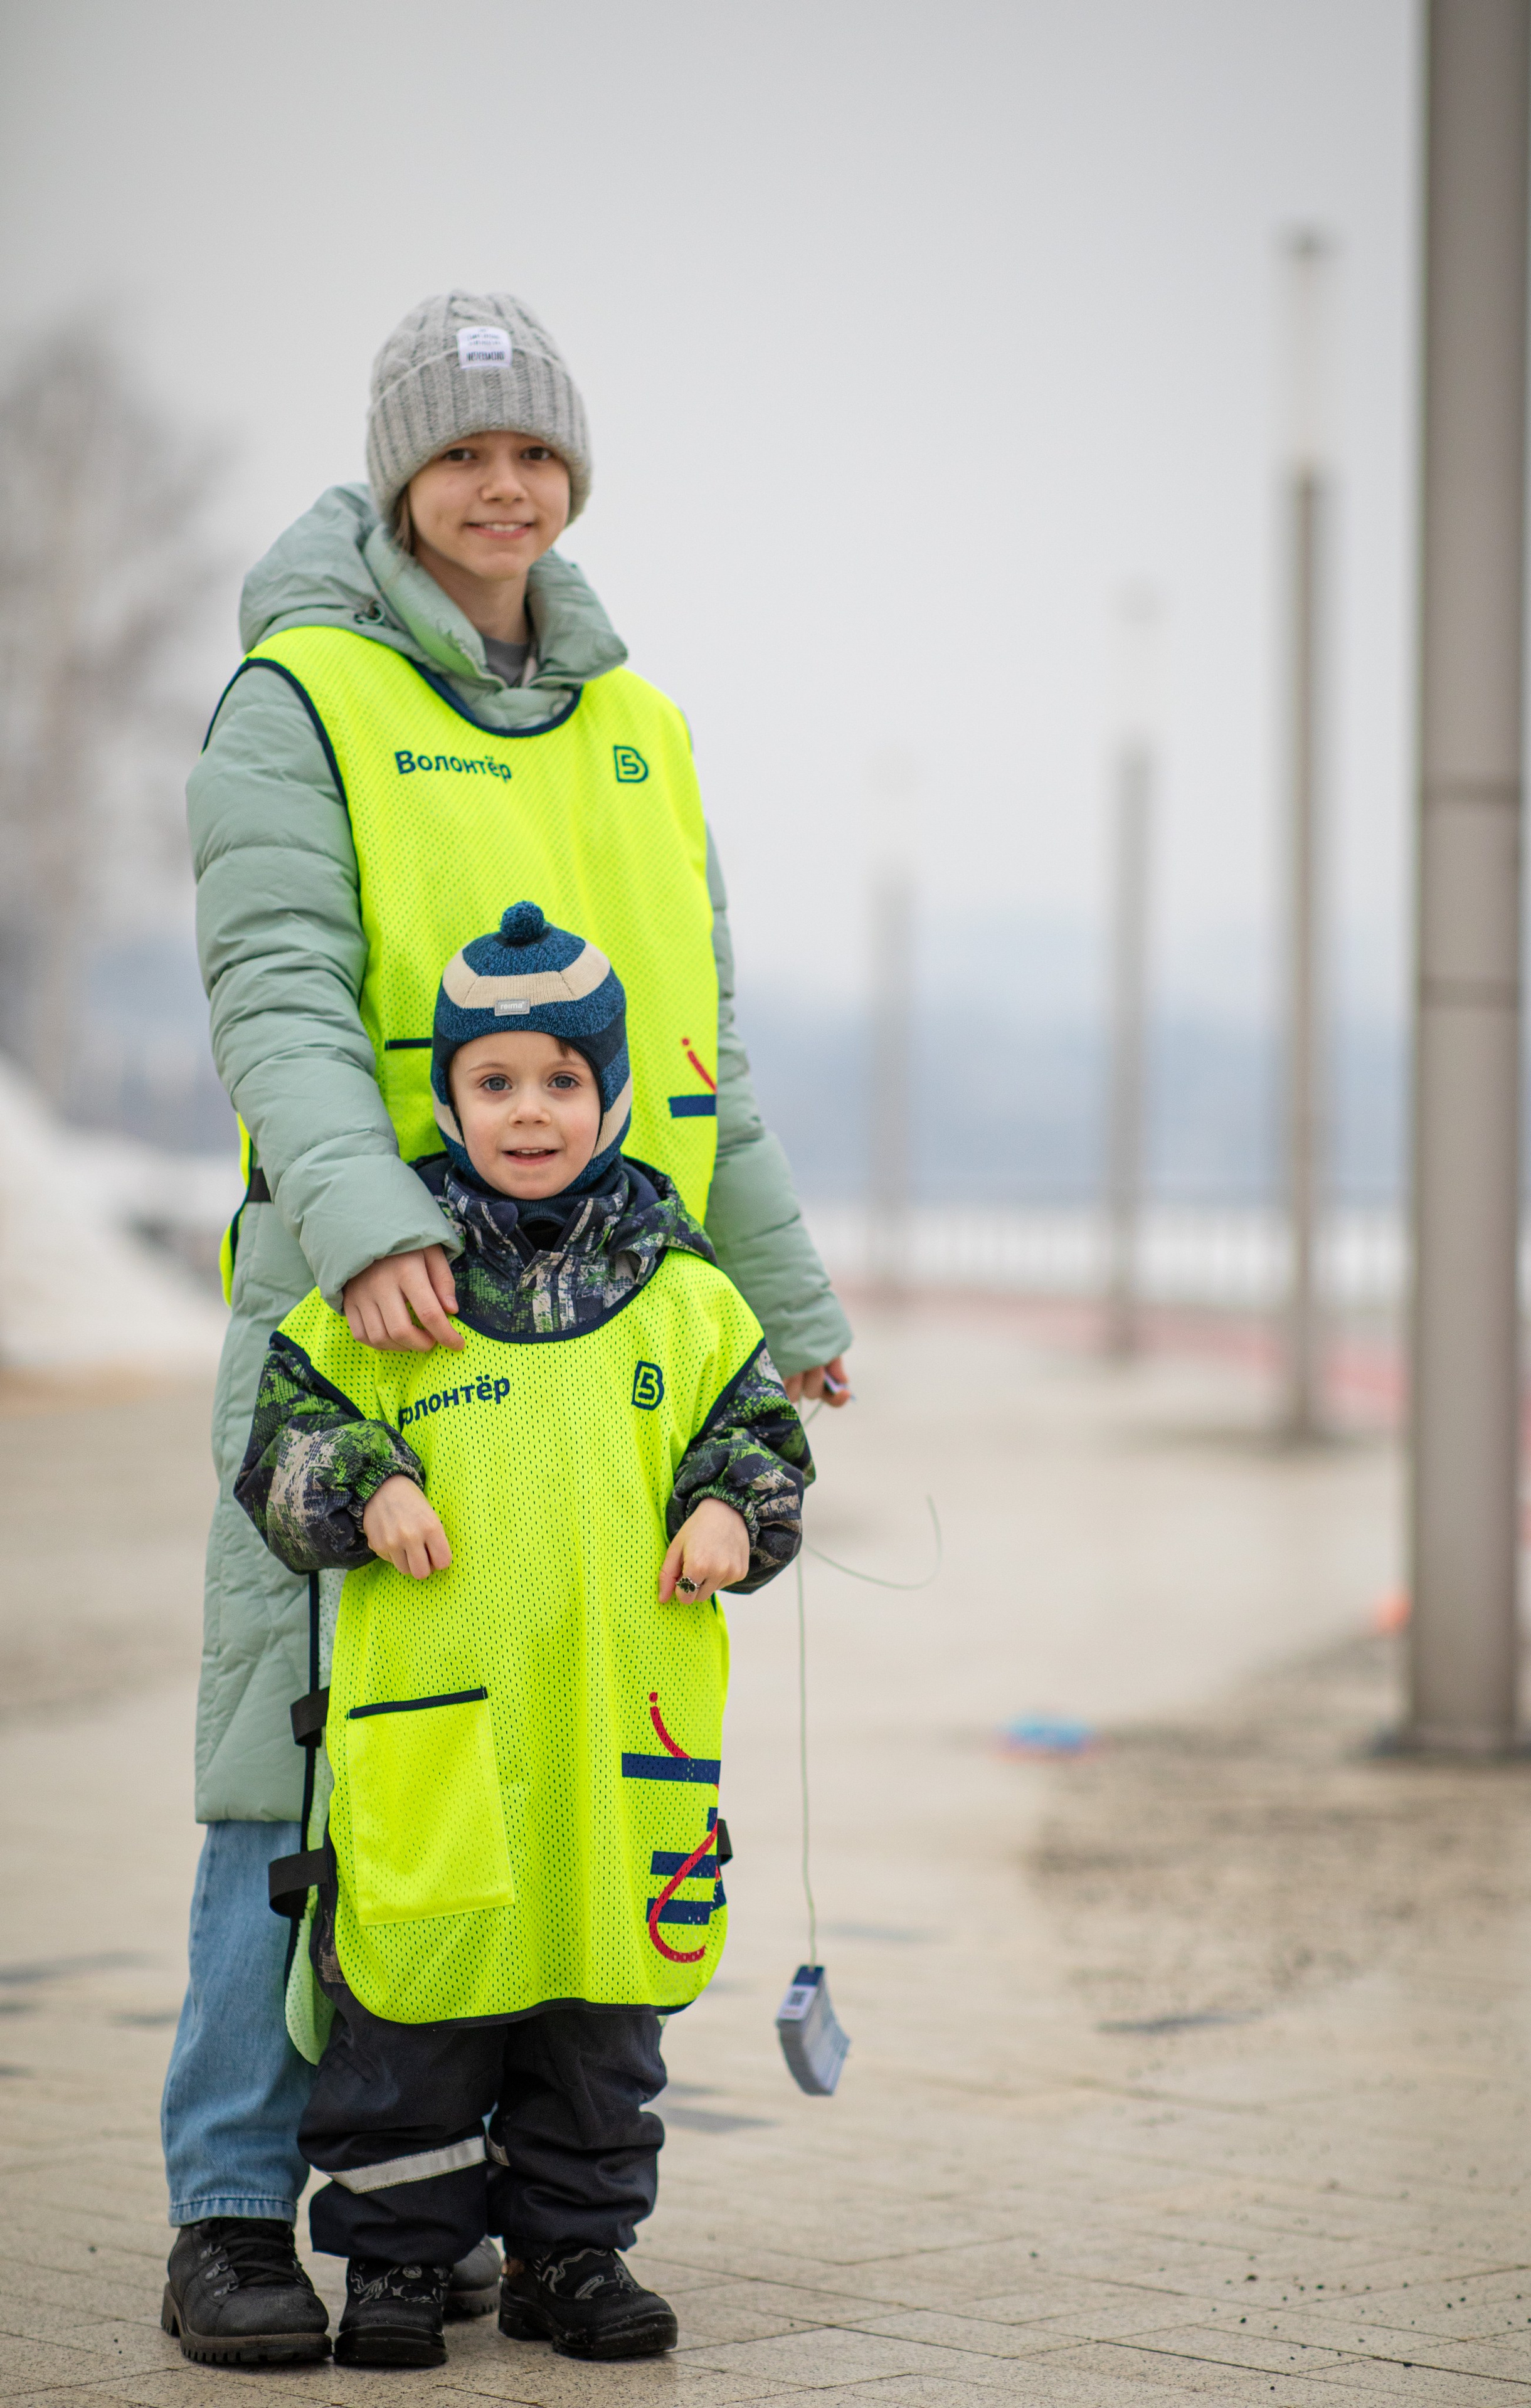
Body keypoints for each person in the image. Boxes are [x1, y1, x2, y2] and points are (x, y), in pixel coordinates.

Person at [161, 291, 850, 2364]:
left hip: (600, 1326)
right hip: (379, 1320)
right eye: (461, 451)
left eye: (533, 451)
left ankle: (456, 2191)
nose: (500, 485)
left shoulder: (643, 728)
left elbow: (695, 1050)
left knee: (524, 1775)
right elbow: (274, 980)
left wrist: (789, 1301)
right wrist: (367, 1218)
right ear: (398, 475)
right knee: (303, 1770)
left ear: (572, 477)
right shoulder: (298, 697)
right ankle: (223, 2206)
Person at [204, 904, 811, 2369]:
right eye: (494, 1082)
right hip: (437, 1736)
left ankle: (573, 2254)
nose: (527, 1110)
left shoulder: (686, 1296)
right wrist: (367, 1482)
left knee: (600, 2024)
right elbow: (279, 1441)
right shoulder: (391, 1291)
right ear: (450, 1098)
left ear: (607, 1096)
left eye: (558, 1080)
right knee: (409, 2011)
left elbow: (764, 1442)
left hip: (620, 1736)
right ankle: (402, 2265)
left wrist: (733, 1509)